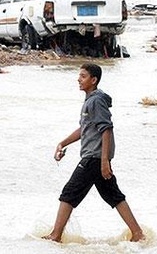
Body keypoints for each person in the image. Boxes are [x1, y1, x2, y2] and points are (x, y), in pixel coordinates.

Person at [43, 64, 145, 243]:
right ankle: (138, 234)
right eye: (79, 76)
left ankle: (55, 235)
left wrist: (104, 161)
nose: (78, 79)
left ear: (93, 80)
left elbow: (106, 129)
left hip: (94, 158)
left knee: (68, 193)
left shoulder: (96, 101)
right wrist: (62, 143)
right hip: (97, 158)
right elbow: (84, 128)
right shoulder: (90, 100)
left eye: (83, 76)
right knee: (114, 196)